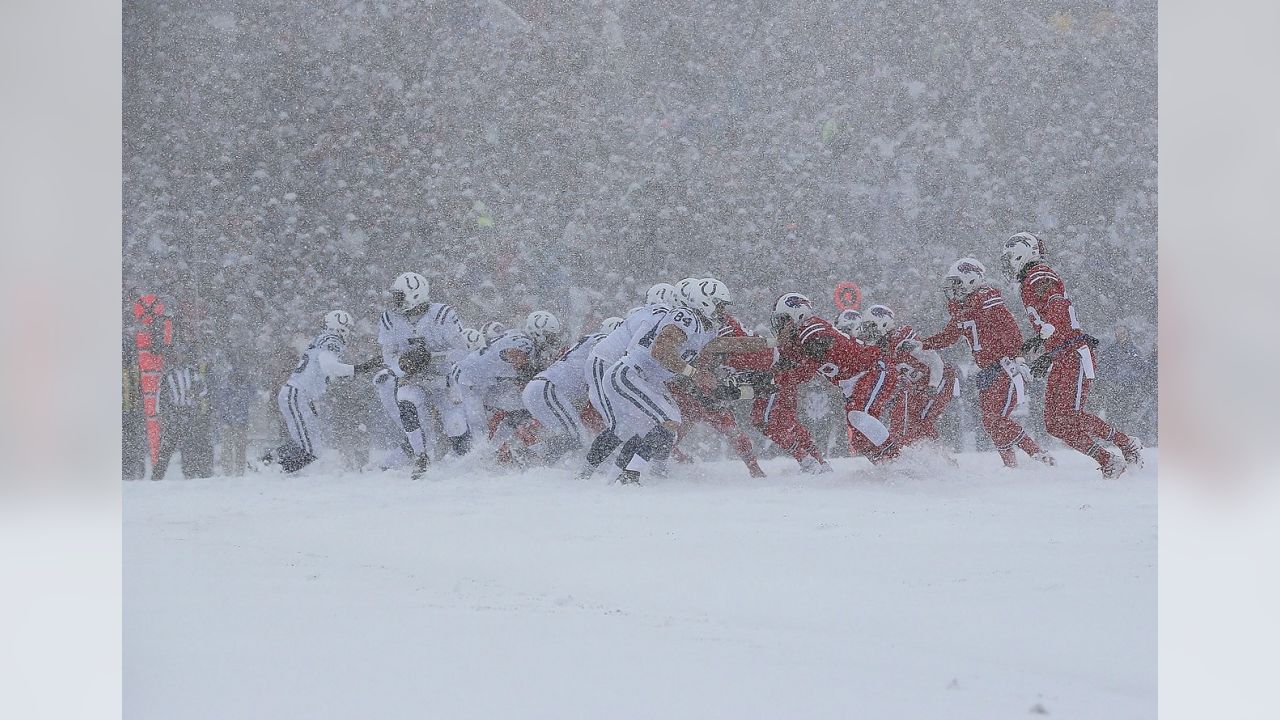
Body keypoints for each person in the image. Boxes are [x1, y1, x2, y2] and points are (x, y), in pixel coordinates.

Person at [601, 278, 774, 485]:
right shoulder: (686, 316)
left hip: (646, 381)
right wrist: (695, 373)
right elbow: (661, 350)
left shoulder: (705, 328)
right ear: (705, 301)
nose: (722, 312)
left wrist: (773, 342)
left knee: (659, 427)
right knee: (666, 421)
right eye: (719, 305)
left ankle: (614, 479)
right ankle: (629, 476)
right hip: (631, 374)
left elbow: (729, 343)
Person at [1001, 232, 1144, 477]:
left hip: (1073, 352)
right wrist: (1040, 343)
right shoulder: (1029, 280)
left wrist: (1046, 335)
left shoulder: (1039, 275)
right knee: (1054, 423)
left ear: (1024, 252)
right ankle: (1107, 459)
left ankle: (1126, 443)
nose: (1007, 263)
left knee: (1068, 415)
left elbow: (1057, 305)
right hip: (1060, 354)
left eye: (1010, 257)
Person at [920, 258, 1053, 468]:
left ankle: (1038, 455)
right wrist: (922, 344)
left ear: (971, 280)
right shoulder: (963, 307)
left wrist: (1019, 358)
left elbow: (1011, 331)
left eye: (957, 283)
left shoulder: (986, 301)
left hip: (1003, 366)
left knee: (995, 419)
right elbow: (950, 336)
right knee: (990, 421)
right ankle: (1010, 464)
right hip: (986, 369)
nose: (953, 289)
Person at [377, 272, 473, 475]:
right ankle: (421, 455)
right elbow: (389, 356)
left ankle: (467, 463)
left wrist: (431, 356)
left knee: (455, 426)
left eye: (399, 296)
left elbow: (464, 352)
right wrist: (403, 367)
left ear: (415, 295)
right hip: (414, 379)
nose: (395, 301)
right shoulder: (390, 319)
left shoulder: (442, 315)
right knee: (405, 398)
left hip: (444, 381)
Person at [267, 310, 379, 473]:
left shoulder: (321, 340)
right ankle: (277, 471)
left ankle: (269, 465)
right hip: (297, 394)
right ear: (341, 327)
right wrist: (361, 368)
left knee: (309, 445)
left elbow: (317, 372)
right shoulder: (331, 340)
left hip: (298, 395)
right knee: (311, 450)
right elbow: (329, 366)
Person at [846, 305, 944, 463]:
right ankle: (926, 459)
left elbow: (935, 360)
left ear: (884, 323)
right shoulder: (877, 348)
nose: (869, 331)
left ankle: (937, 460)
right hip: (915, 388)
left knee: (919, 422)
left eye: (871, 326)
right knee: (905, 427)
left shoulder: (902, 337)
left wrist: (933, 385)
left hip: (939, 380)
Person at [152, 343, 214, 479]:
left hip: (189, 412)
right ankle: (157, 476)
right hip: (175, 413)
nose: (180, 357)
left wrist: (195, 392)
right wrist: (162, 414)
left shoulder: (192, 372)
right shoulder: (168, 375)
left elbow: (204, 390)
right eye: (178, 354)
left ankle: (190, 472)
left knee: (190, 444)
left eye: (182, 354)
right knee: (168, 446)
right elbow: (160, 396)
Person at [213, 351, 255, 476]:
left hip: (235, 420)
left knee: (234, 447)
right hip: (233, 420)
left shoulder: (237, 383)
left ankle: (235, 471)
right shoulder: (236, 383)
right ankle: (233, 471)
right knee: (234, 447)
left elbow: (222, 401)